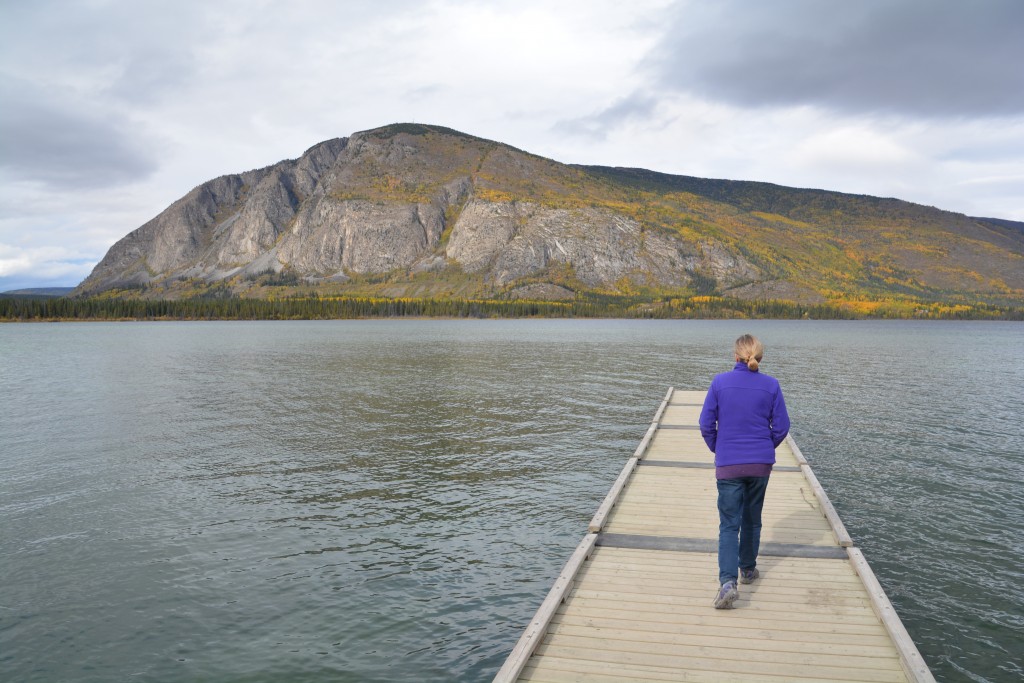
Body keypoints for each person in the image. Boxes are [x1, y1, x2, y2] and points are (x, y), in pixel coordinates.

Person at [699, 334, 790, 609]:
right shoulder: (771, 385)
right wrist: (764, 447)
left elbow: (705, 424)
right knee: (752, 518)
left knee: (729, 524)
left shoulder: (719, 383)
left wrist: (720, 448)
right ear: (758, 358)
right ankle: (748, 570)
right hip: (760, 464)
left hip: (729, 464)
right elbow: (782, 427)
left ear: (735, 356)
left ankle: (728, 583)